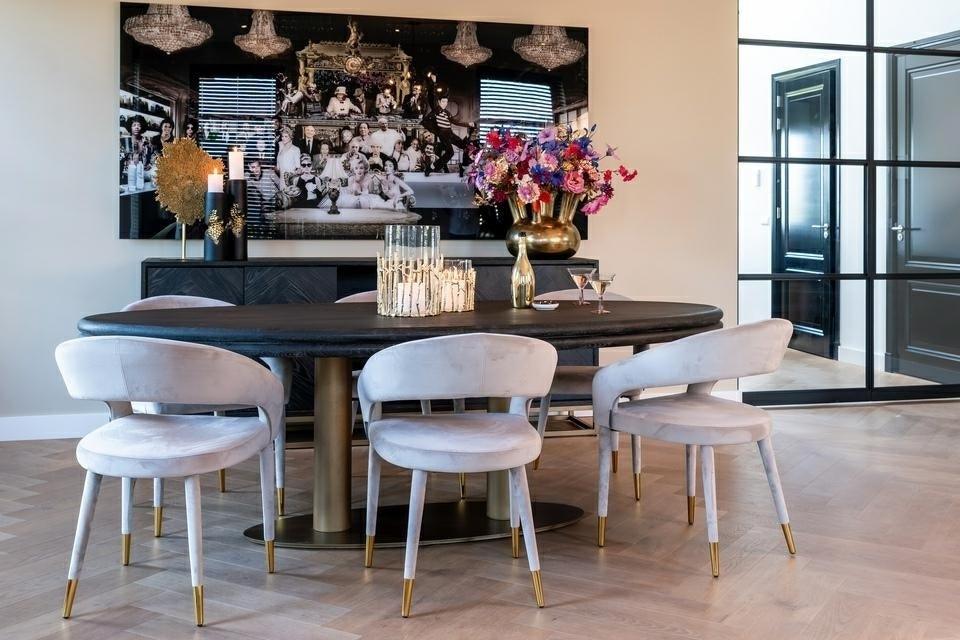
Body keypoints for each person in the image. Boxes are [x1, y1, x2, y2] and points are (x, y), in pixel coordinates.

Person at [421, 93, 472, 175]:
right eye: (443, 101)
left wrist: (468, 124)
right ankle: (431, 168)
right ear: (439, 102)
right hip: (443, 134)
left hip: (450, 133)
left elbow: (455, 122)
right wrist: (436, 131)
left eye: (446, 102)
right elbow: (424, 122)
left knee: (464, 145)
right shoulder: (435, 112)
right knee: (450, 152)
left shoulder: (447, 112)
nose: (445, 104)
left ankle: (463, 166)